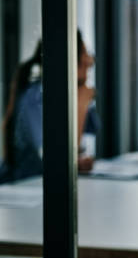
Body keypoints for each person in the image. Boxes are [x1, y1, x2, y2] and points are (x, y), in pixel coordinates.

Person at [0, 30, 100, 183]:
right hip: (24, 185)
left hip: (44, 184)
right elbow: (52, 161)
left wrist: (78, 160)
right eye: (83, 57)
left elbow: (88, 138)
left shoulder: (71, 94)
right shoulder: (35, 97)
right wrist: (81, 105)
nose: (88, 63)